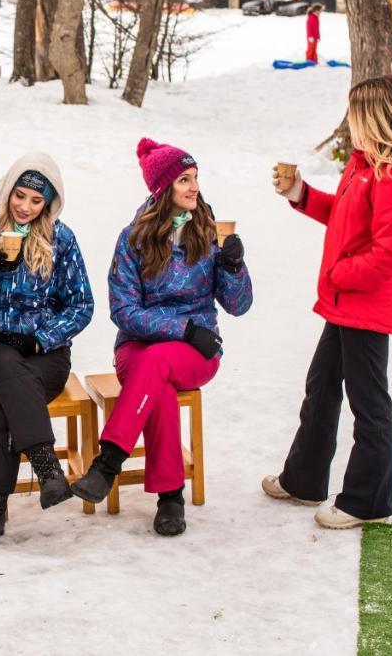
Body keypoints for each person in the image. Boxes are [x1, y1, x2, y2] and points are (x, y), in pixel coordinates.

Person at [264, 77, 392, 528]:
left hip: (365, 306)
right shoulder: (363, 165)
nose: (349, 126)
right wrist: (301, 194)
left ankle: (368, 500)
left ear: (375, 121)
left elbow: (390, 254)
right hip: (343, 303)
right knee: (320, 388)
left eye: (355, 117)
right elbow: (342, 217)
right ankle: (304, 479)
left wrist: (340, 274)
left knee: (369, 403)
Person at [70, 138, 253, 537]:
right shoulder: (133, 239)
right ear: (162, 189)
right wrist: (182, 329)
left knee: (159, 367)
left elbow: (239, 306)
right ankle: (171, 497)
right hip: (141, 348)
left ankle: (108, 465)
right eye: (184, 180)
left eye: (195, 178)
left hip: (198, 351)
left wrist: (235, 267)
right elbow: (124, 311)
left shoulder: (208, 232)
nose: (194, 187)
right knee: (158, 381)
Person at [0, 154, 93, 544]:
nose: (26, 207)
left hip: (45, 353)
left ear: (48, 204)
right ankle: (46, 466)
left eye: (36, 200)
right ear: (9, 188)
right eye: (21, 195)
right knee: (6, 367)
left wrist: (42, 338)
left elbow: (82, 306)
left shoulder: (61, 238)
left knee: (6, 395)